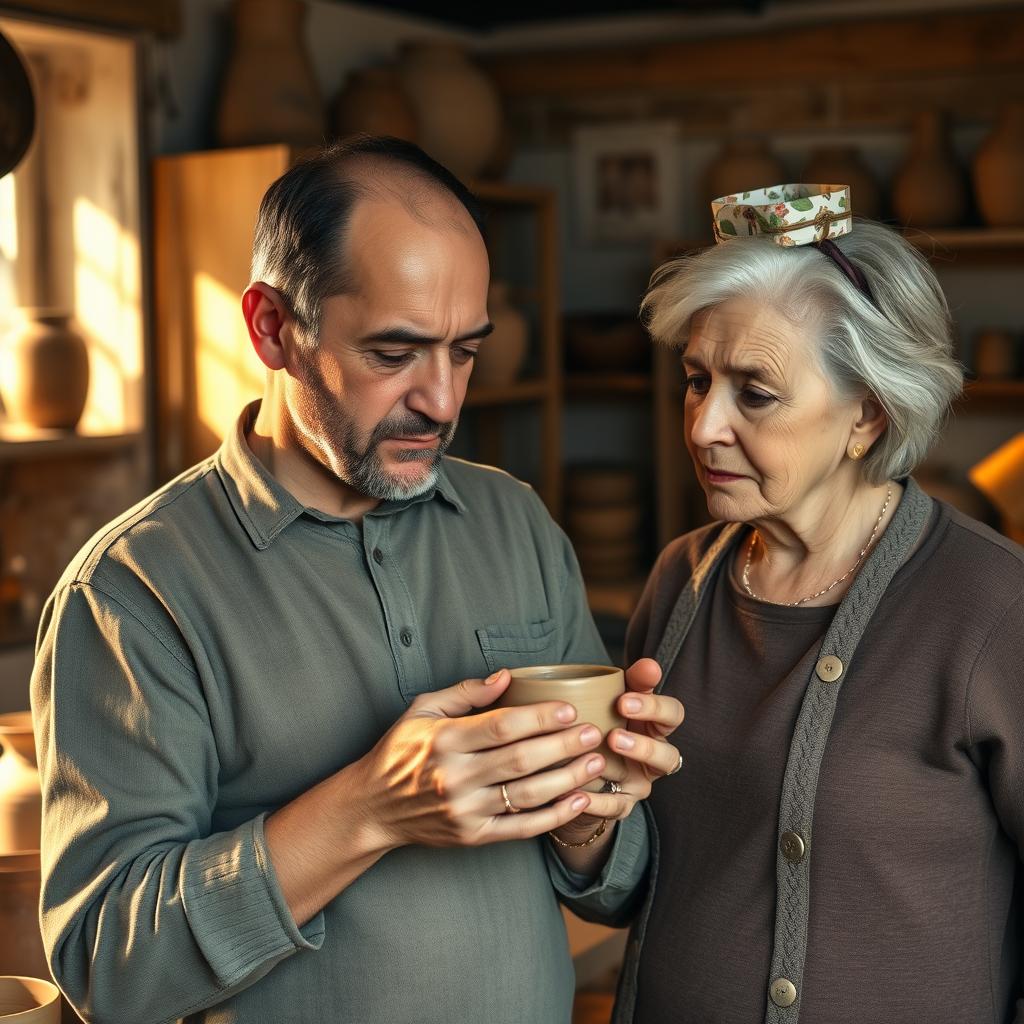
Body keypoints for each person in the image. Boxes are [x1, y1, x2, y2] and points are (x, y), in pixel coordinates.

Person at [29, 137, 680, 1024]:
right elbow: (108, 970)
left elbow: (618, 885)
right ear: (272, 328)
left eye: (465, 352)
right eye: (394, 352)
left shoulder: (516, 523)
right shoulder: (132, 592)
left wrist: (587, 820)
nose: (443, 401)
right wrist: (369, 810)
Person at [561, 185, 1024, 1023]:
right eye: (697, 381)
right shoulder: (681, 580)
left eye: (755, 392)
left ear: (867, 415)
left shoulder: (992, 606)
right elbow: (641, 887)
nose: (703, 425)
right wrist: (588, 822)